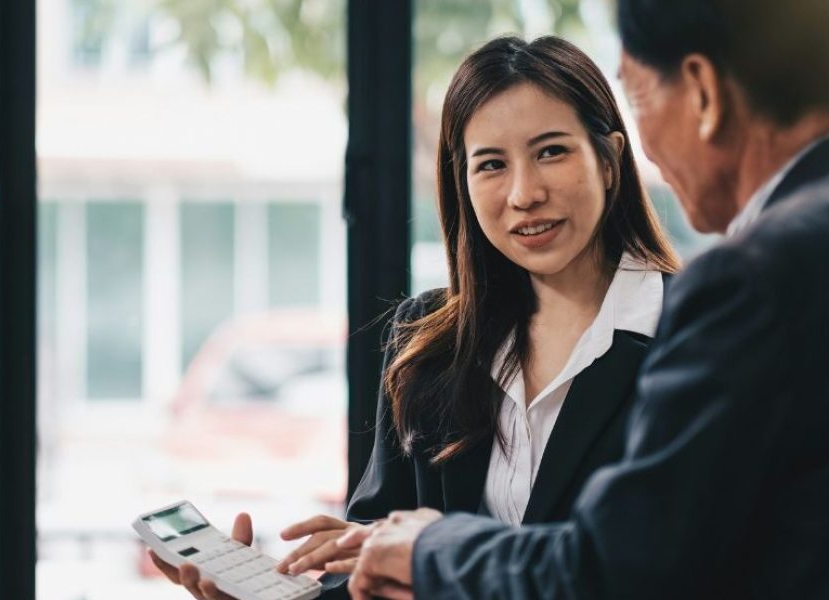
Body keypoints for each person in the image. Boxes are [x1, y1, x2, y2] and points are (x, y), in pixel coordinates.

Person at [339, 1, 829, 598]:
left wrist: (432, 546)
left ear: (700, 91)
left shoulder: (760, 277)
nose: (649, 145)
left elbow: (616, 573)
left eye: (636, 94)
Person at [150, 35, 681, 599]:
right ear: (463, 183)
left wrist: (441, 559)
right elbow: (375, 574)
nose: (524, 194)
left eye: (551, 151)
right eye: (492, 165)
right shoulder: (430, 343)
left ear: (609, 159)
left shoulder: (694, 335)